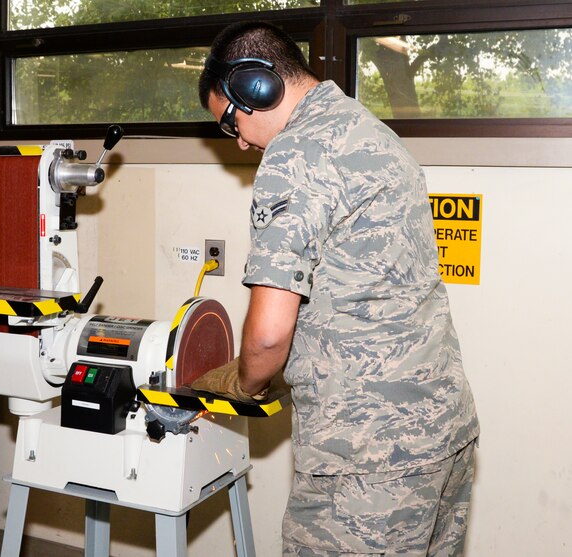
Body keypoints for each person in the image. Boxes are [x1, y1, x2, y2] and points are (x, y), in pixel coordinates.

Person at [191, 21, 480, 556]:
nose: (238, 140)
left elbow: (269, 337)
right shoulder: (367, 129)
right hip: (443, 430)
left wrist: (243, 384)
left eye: (230, 122)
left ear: (254, 88)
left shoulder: (294, 156)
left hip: (367, 456)